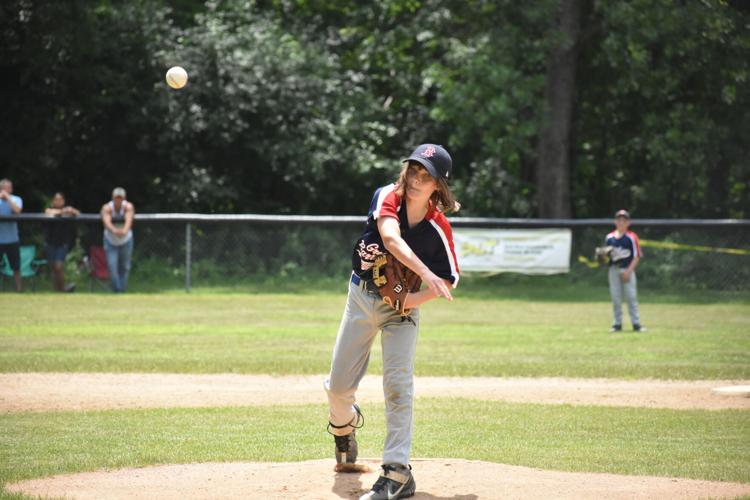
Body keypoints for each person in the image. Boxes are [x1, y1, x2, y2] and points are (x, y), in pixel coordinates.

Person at [325, 144, 460, 500]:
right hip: (361, 296)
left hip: (402, 313)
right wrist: (423, 271)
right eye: (413, 170)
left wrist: (407, 300)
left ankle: (397, 473)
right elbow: (390, 237)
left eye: (426, 175)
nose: (416, 179)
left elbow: (447, 282)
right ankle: (344, 428)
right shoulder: (388, 195)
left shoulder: (438, 228)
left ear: (438, 187)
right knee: (338, 387)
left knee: (398, 387)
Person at [605, 209, 646, 332]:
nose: (621, 222)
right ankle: (617, 324)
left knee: (631, 297)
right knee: (616, 298)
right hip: (613, 270)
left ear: (628, 222)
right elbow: (607, 257)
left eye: (624, 220)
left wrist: (628, 271)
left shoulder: (631, 237)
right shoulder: (609, 237)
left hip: (627, 269)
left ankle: (636, 324)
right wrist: (602, 257)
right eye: (619, 220)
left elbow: (637, 256)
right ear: (615, 222)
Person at [100, 187, 135, 293]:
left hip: (126, 240)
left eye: (120, 198)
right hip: (110, 240)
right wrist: (115, 230)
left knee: (125, 267)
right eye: (116, 197)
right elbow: (106, 221)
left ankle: (122, 290)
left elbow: (129, 220)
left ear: (124, 198)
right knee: (112, 266)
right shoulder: (107, 207)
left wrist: (124, 230)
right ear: (113, 198)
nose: (118, 200)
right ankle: (117, 290)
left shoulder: (128, 206)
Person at [44, 192, 80, 292]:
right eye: (56, 199)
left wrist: (71, 210)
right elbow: (49, 213)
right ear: (53, 201)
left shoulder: (68, 212)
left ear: (63, 201)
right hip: (49, 243)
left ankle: (62, 289)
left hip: (62, 244)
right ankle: (57, 290)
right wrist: (62, 212)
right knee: (54, 269)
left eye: (60, 199)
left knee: (59, 266)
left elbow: (78, 214)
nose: (58, 201)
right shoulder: (49, 210)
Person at [0, 178, 23, 292]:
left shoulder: (16, 199)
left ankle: (19, 289)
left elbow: (17, 211)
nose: (7, 189)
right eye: (4, 188)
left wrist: (8, 198)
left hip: (12, 240)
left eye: (9, 187)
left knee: (16, 267)